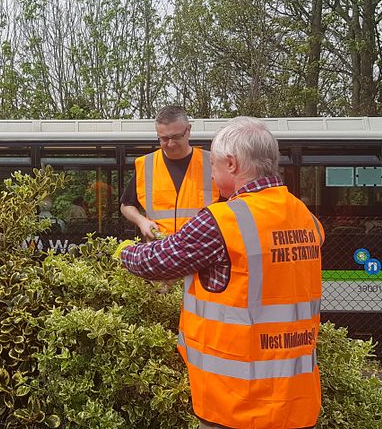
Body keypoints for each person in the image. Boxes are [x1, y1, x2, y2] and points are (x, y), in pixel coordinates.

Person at [120, 117, 323, 429]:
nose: (210, 175)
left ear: (231, 164)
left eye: (213, 166)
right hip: (297, 404)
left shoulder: (224, 220)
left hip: (236, 404)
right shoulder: (305, 216)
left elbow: (155, 262)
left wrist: (121, 252)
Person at [120, 105, 220, 239]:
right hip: (160, 251)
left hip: (201, 251)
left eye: (176, 137)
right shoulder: (146, 165)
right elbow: (126, 205)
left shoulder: (213, 163)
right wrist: (142, 221)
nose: (171, 144)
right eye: (164, 138)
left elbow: (233, 204)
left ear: (188, 130)